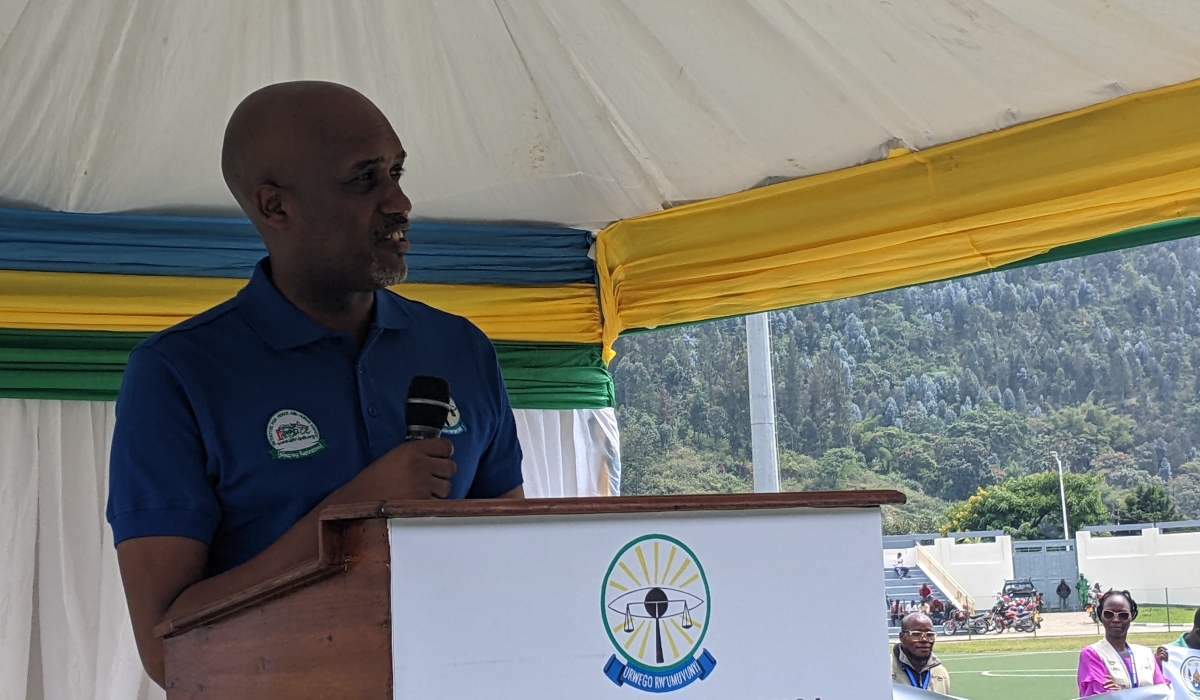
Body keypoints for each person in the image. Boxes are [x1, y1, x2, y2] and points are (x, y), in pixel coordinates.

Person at [105, 82, 525, 687]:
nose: (399, 201)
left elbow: (514, 567)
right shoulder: (178, 373)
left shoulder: (462, 349)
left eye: (397, 171)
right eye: (364, 179)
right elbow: (167, 647)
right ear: (276, 207)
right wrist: (350, 517)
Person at [1077, 590, 1170, 696]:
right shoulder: (1092, 654)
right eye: (1108, 614)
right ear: (1100, 615)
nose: (1116, 619)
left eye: (1123, 615)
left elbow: (1163, 694)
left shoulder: (1146, 654)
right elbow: (1103, 697)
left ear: (1132, 616)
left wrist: (1121, 693)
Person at [892, 613, 952, 695]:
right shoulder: (885, 670)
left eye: (930, 635)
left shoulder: (941, 673)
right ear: (902, 637)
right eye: (916, 634)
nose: (924, 639)